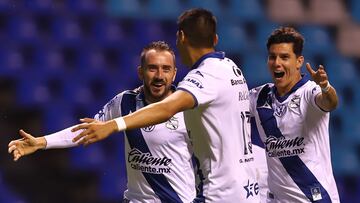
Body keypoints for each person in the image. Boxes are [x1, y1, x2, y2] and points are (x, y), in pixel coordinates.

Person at [69, 8, 259, 202]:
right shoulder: (231, 68)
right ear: (216, 39)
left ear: (181, 37)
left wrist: (114, 125)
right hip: (245, 189)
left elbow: (167, 108)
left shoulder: (205, 76)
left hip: (220, 193)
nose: (159, 75)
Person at [8, 41, 199, 203]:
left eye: (166, 69)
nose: (159, 76)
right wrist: (41, 142)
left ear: (174, 74)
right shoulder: (125, 102)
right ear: (140, 72)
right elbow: (85, 130)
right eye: (152, 68)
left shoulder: (189, 109)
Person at [249, 27, 340, 202]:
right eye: (272, 56)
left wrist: (325, 87)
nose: (276, 63)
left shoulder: (310, 92)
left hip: (317, 198)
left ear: (299, 61)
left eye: (284, 57)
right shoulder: (259, 97)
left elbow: (330, 102)